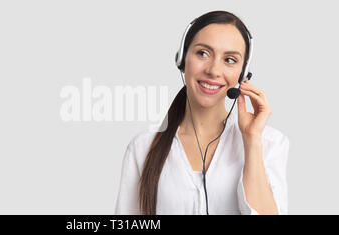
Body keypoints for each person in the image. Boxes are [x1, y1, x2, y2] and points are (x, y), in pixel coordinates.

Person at [114, 11, 289, 215]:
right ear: (182, 60)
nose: (214, 70)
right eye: (203, 53)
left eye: (230, 60)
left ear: (242, 74)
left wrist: (251, 141)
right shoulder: (142, 147)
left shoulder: (269, 143)